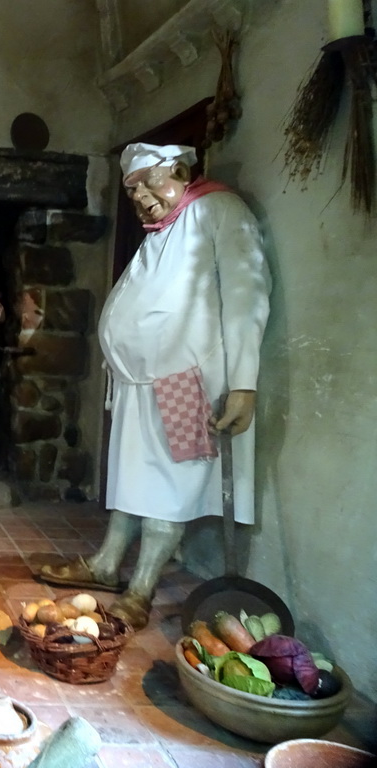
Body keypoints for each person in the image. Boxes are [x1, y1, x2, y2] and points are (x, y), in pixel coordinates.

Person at [40, 142, 271, 630]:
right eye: (132, 188)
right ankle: (106, 563)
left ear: (182, 172)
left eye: (151, 181)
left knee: (168, 485)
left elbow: (247, 295)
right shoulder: (164, 227)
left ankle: (142, 587)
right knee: (133, 479)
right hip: (138, 383)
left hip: (185, 380)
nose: (142, 195)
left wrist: (244, 384)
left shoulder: (218, 210)